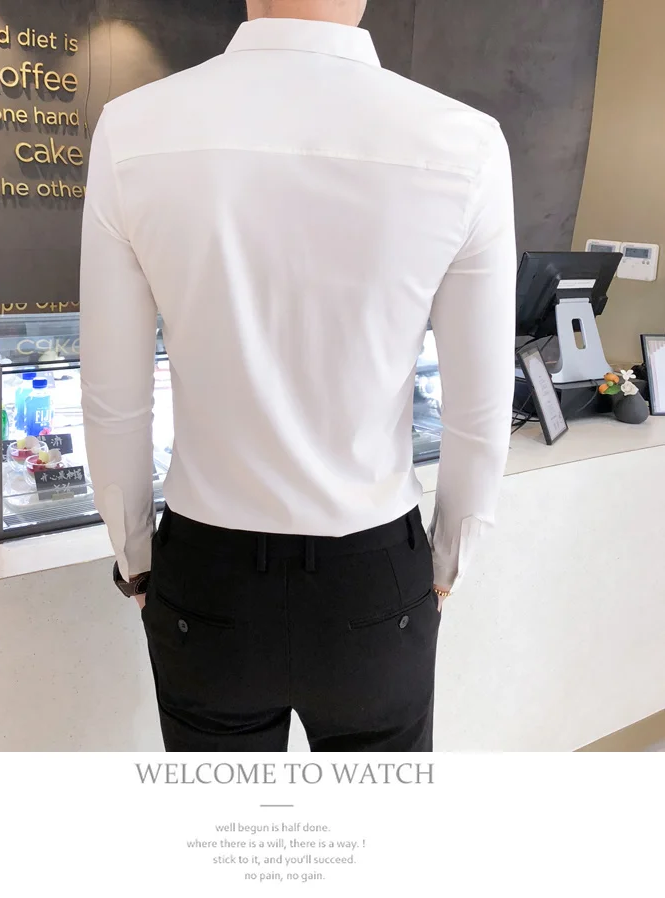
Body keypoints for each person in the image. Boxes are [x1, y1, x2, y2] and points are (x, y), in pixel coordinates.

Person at [80, 0, 516, 752]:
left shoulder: (133, 129)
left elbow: (113, 398)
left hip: (207, 577)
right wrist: (448, 563)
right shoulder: (464, 142)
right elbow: (479, 410)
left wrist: (136, 559)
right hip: (374, 577)